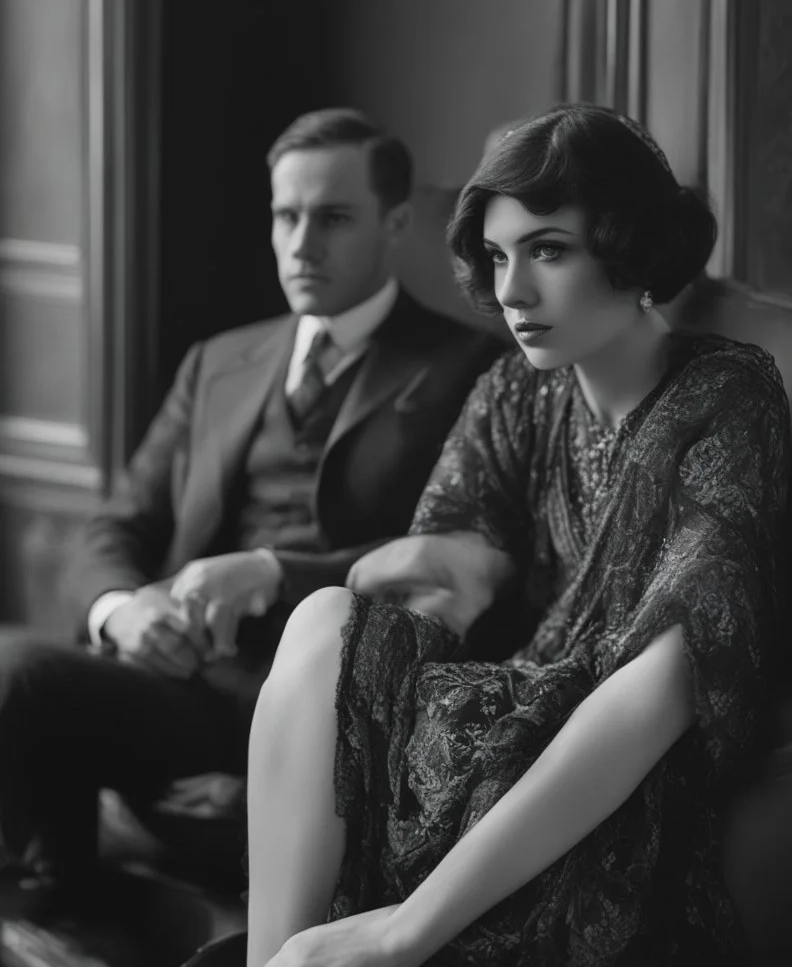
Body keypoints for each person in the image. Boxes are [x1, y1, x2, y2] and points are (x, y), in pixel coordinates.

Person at [228, 104, 789, 967]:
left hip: (613, 777)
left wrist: (402, 929)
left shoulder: (725, 396)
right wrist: (402, 586)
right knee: (323, 619)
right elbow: (448, 571)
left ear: (627, 247)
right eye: (497, 256)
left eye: (549, 251)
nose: (512, 293)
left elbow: (668, 684)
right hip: (505, 711)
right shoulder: (516, 394)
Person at [0, 108, 505, 907]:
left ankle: (65, 885)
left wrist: (274, 573)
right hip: (187, 685)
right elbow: (115, 524)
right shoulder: (220, 360)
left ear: (397, 222)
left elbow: (446, 555)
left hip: (326, 692)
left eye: (333, 218)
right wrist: (121, 613)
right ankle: (58, 895)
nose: (302, 243)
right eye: (285, 216)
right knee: (15, 671)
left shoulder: (470, 367)